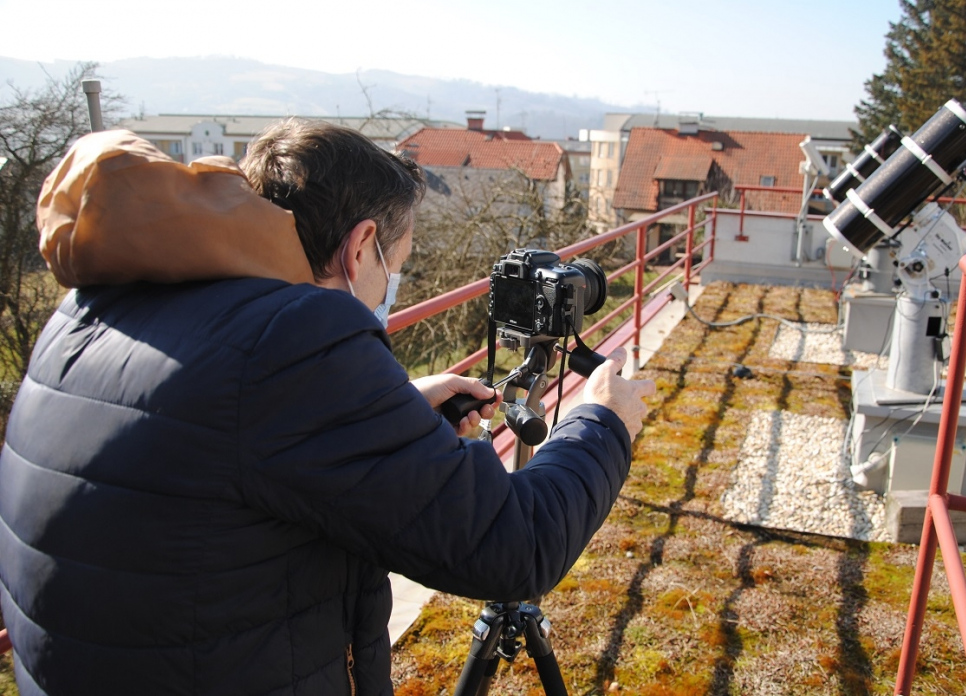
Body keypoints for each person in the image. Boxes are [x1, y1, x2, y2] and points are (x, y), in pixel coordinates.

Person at [0, 119, 656, 696]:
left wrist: (391, 413)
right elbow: (515, 546)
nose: (389, 284)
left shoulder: (96, 306)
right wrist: (601, 420)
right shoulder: (295, 338)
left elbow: (204, 449)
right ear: (360, 244)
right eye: (394, 262)